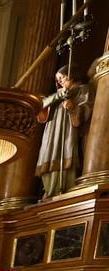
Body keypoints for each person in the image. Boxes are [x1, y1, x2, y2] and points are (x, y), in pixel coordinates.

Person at [37, 66, 91, 199]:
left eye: (62, 76)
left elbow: (85, 110)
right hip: (51, 131)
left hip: (66, 129)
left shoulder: (81, 89)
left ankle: (65, 187)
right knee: (48, 155)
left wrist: (73, 109)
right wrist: (62, 93)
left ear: (70, 75)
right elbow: (41, 104)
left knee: (65, 151)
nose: (60, 80)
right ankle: (50, 190)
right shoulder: (58, 94)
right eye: (58, 79)